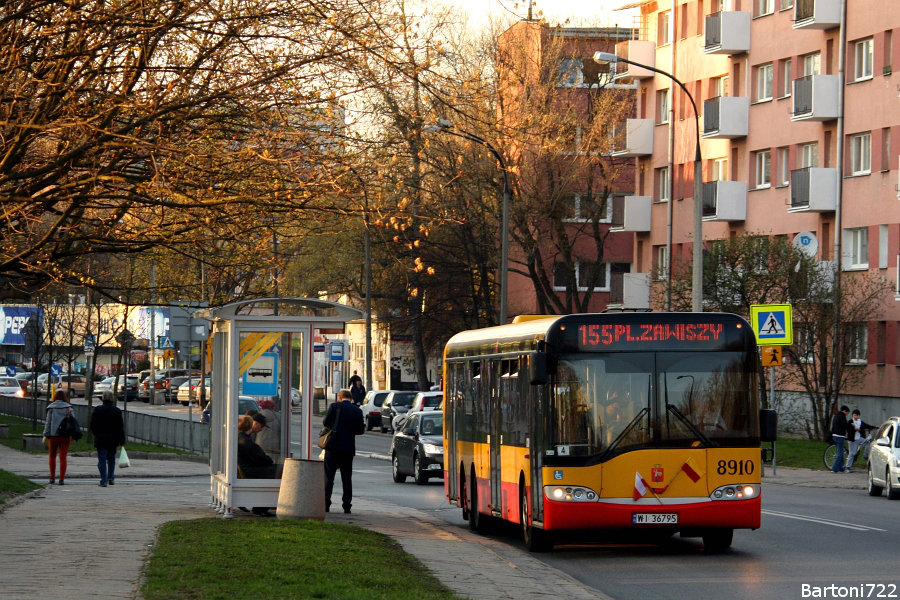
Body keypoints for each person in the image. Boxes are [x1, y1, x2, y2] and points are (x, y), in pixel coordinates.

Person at [322, 389, 365, 514]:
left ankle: (326, 504)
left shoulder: (334, 406)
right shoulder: (357, 410)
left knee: (329, 476)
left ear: (340, 398)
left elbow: (325, 422)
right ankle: (347, 506)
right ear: (351, 398)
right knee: (346, 478)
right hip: (348, 448)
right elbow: (360, 430)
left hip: (333, 447)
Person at [236, 415, 278, 516]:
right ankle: (262, 507)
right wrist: (270, 461)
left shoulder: (239, 438)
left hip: (246, 469)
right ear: (251, 425)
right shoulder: (246, 442)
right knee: (279, 472)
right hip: (252, 471)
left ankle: (260, 506)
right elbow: (260, 457)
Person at [90, 390, 126, 487]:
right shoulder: (117, 411)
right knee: (111, 458)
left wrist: (95, 433)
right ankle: (111, 477)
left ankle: (104, 480)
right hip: (113, 439)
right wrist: (122, 440)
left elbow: (92, 424)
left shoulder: (97, 410)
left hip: (100, 438)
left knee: (101, 460)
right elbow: (120, 427)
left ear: (102, 399)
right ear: (112, 399)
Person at [42, 389, 76, 485]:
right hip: (65, 436)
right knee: (63, 457)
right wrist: (73, 435)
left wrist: (45, 435)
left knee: (52, 456)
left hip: (53, 436)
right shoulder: (69, 408)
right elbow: (73, 422)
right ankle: (61, 479)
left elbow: (48, 423)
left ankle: (52, 478)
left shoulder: (51, 408)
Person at [830, 405, 851, 473]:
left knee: (841, 452)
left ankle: (840, 467)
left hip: (834, 435)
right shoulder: (842, 416)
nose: (847, 414)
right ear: (844, 411)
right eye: (847, 412)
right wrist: (851, 426)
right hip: (839, 436)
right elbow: (845, 426)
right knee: (840, 453)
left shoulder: (836, 416)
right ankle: (834, 468)